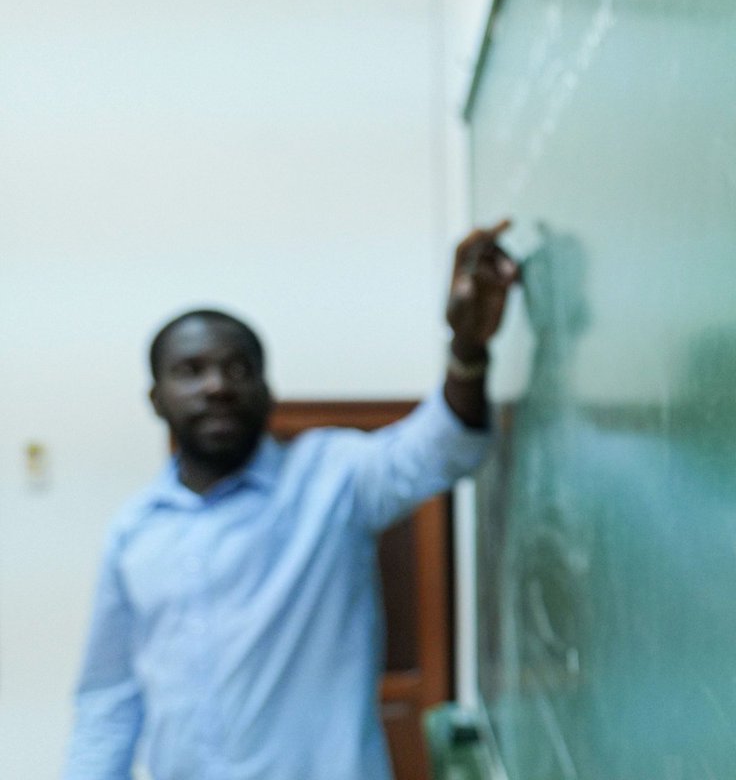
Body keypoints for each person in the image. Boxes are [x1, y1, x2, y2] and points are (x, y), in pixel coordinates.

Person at [63, 223, 519, 780]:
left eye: (237, 368)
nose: (216, 386)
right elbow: (107, 702)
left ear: (267, 390)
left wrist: (467, 350)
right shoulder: (134, 531)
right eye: (190, 371)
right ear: (156, 400)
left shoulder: (330, 477)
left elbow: (444, 447)